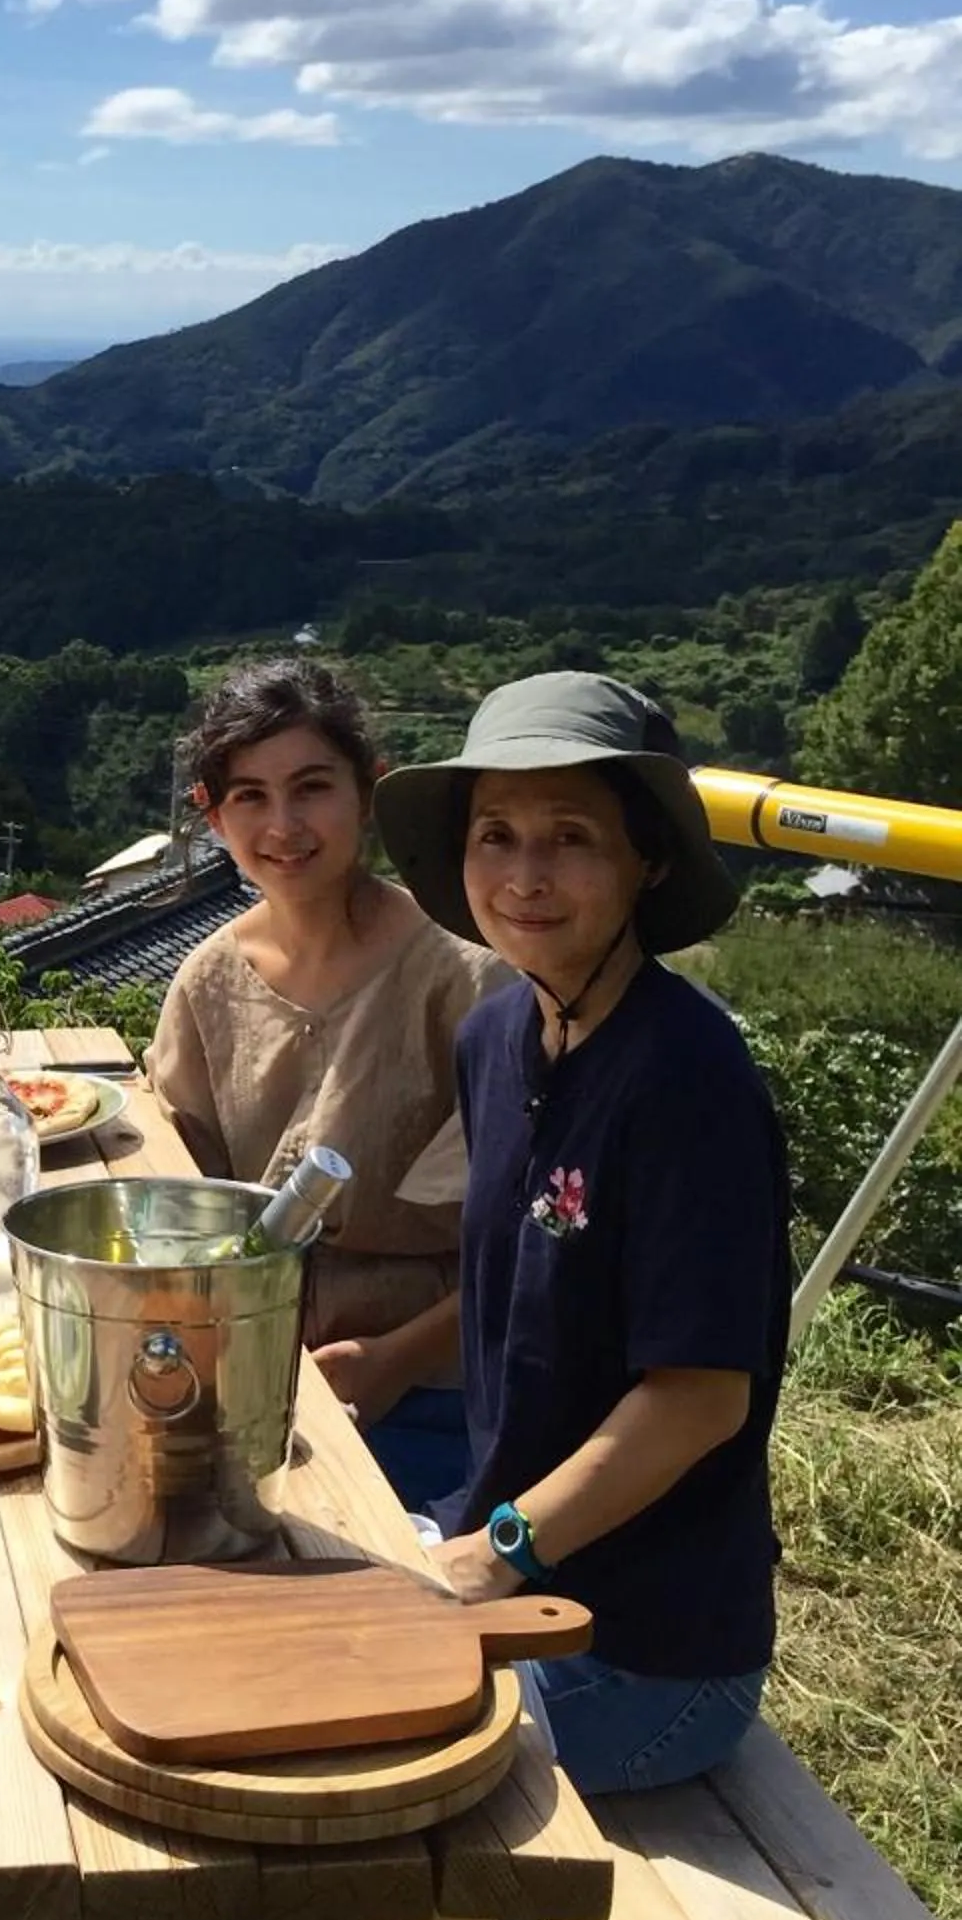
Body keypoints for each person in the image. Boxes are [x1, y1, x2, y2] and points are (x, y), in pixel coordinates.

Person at [375, 672, 789, 1796]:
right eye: (495, 834)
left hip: (641, 1656)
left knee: (319, 1735)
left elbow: (701, 1397)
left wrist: (495, 1552)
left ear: (646, 859)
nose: (524, 876)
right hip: (508, 1561)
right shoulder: (499, 1030)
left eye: (572, 839)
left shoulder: (687, 1079)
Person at [147, 658, 508, 1511]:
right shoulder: (207, 982)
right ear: (213, 813)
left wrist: (394, 1362)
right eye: (250, 797)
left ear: (368, 790)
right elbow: (177, 1198)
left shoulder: (464, 973)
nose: (284, 825)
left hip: (440, 1392)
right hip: (250, 1376)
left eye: (312, 788)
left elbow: (527, 1246)